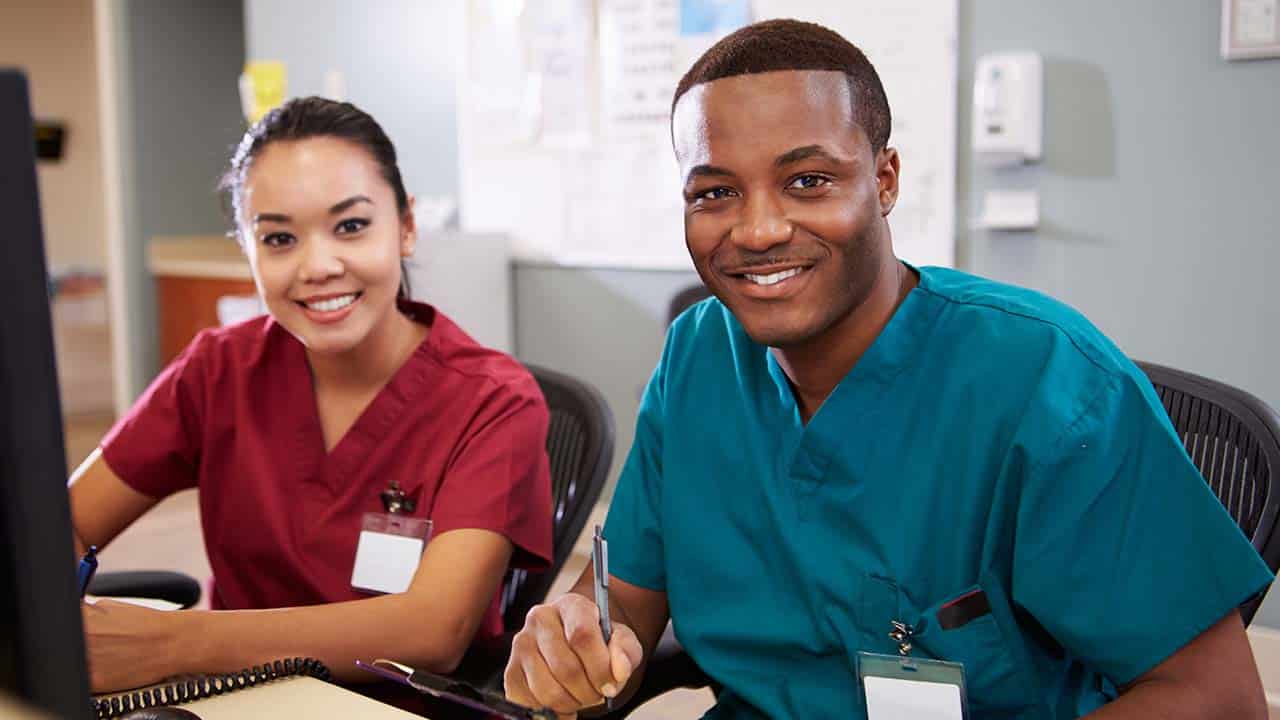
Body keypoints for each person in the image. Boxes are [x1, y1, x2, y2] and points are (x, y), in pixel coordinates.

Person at [504, 19, 1273, 719]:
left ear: (885, 179)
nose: (760, 228)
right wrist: (573, 636)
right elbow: (627, 598)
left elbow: (1217, 697)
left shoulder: (1046, 381)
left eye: (809, 181)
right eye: (715, 192)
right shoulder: (699, 354)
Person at [69, 97, 552, 696]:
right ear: (246, 249)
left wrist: (170, 643)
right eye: (278, 238)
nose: (317, 266)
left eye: (350, 226)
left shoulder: (494, 402)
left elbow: (435, 629)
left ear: (405, 226)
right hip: (234, 699)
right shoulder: (218, 371)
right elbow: (63, 523)